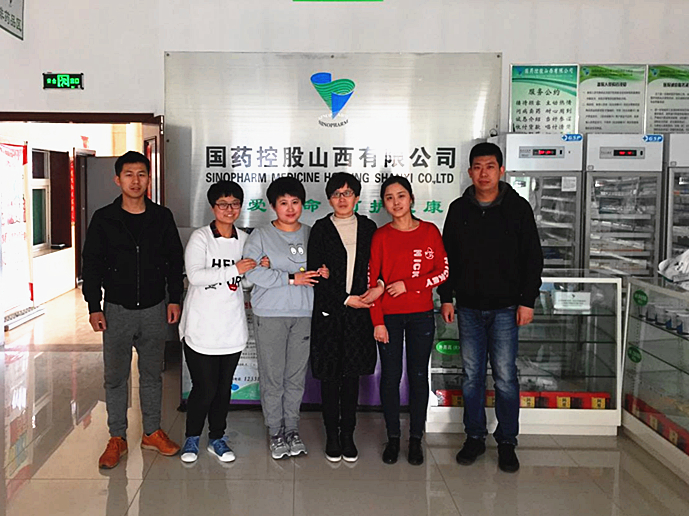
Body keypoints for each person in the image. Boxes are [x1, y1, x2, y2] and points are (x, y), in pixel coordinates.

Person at [438, 142, 543, 473]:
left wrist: (527, 300)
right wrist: (446, 297)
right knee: (471, 376)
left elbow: (532, 258)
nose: (484, 173)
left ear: (501, 170)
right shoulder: (458, 209)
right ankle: (474, 437)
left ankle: (507, 441)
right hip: (468, 307)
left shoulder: (518, 208)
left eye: (490, 167)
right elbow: (447, 257)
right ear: (470, 172)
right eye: (478, 167)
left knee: (505, 377)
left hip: (506, 309)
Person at [82, 150, 184, 469]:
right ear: (118, 179)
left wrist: (174, 298)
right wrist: (93, 305)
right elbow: (92, 264)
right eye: (129, 174)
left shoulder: (161, 217)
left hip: (154, 308)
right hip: (116, 310)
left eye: (141, 174)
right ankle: (117, 437)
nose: (135, 180)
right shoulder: (104, 218)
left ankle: (151, 432)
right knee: (115, 378)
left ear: (149, 178)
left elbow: (174, 261)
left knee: (152, 375)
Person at [243, 177, 326, 460]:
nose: (290, 208)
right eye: (283, 203)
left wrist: (323, 272)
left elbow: (322, 268)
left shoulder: (312, 234)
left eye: (295, 202)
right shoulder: (261, 235)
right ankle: (275, 431)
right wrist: (291, 278)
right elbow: (251, 271)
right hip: (270, 314)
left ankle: (292, 429)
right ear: (272, 206)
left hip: (303, 314)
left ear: (303, 204)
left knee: (295, 377)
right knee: (273, 377)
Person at [368, 175, 449, 466]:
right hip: (389, 317)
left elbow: (443, 272)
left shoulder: (429, 231)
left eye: (401, 196)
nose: (396, 202)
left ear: (411, 198)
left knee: (417, 376)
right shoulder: (381, 236)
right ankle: (392, 438)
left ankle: (415, 438)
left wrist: (409, 285)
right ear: (384, 204)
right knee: (390, 377)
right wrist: (377, 321)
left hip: (421, 315)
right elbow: (372, 282)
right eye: (389, 198)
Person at [178, 181, 258, 463]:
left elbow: (245, 283)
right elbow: (195, 276)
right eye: (223, 204)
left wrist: (256, 270)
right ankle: (191, 438)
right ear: (213, 207)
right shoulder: (201, 237)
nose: (229, 209)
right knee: (204, 388)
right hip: (201, 327)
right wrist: (235, 269)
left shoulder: (245, 239)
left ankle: (217, 438)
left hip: (231, 328)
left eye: (235, 204)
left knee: (224, 389)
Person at [307, 173, 378, 462]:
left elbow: (378, 267)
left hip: (360, 315)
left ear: (357, 197)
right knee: (329, 377)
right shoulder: (321, 229)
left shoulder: (369, 228)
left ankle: (347, 434)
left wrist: (373, 291)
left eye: (348, 193)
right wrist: (345, 298)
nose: (342, 199)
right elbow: (315, 274)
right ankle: (332, 436)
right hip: (329, 313)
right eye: (336, 194)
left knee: (351, 377)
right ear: (329, 199)